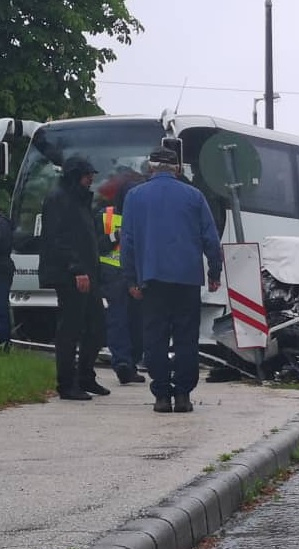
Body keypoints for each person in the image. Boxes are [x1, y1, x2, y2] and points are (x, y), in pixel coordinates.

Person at [120, 147, 222, 414]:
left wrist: (130, 278)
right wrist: (214, 272)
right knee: (186, 338)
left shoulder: (134, 197)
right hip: (187, 279)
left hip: (152, 279)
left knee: (155, 338)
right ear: (177, 168)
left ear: (151, 167)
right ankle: (183, 395)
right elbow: (210, 239)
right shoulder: (194, 196)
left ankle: (162, 395)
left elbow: (127, 242)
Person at [37, 156, 110, 400]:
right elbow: (58, 240)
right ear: (75, 175)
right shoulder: (59, 199)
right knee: (70, 329)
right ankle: (66, 384)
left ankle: (85, 377)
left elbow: (84, 239)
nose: (92, 179)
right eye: (88, 175)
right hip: (70, 275)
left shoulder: (79, 200)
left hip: (87, 273)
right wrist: (77, 268)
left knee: (97, 328)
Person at [97, 166, 147, 384]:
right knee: (118, 320)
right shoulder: (105, 216)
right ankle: (123, 363)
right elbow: (96, 246)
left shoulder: (146, 219)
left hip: (138, 275)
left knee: (138, 321)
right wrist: (116, 235)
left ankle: (132, 361)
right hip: (113, 275)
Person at [0, 207, 14, 352]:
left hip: (0, 270)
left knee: (0, 307)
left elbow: (0, 244)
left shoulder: (0, 223)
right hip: (2, 268)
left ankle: (3, 343)